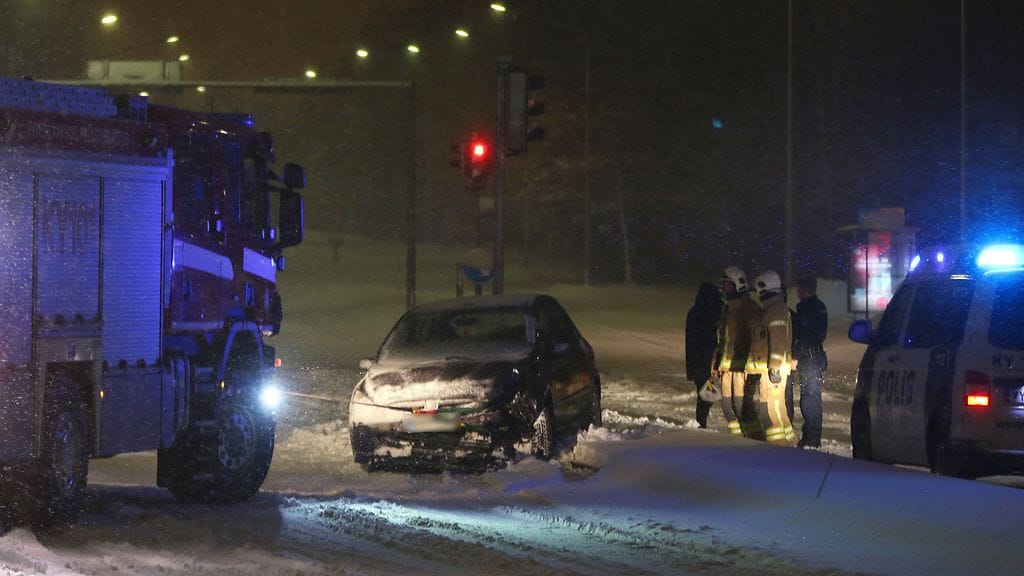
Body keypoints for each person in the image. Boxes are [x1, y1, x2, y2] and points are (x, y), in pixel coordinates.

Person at [712, 266, 761, 438]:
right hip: (726, 368)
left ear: (737, 285)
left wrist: (752, 362)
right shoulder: (727, 309)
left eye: (727, 285)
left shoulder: (749, 308)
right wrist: (716, 364)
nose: (724, 288)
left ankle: (755, 440)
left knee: (741, 408)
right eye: (723, 285)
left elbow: (757, 337)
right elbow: (722, 340)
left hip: (742, 368)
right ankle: (738, 440)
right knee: (727, 408)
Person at [748, 270, 796, 444]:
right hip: (772, 368)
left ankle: (777, 448)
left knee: (768, 410)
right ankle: (789, 445)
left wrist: (774, 366)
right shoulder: (772, 308)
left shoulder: (775, 310)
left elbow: (778, 340)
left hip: (774, 369)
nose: (758, 292)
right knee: (777, 408)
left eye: (760, 287)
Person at [793, 275, 828, 449]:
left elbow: (807, 336)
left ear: (804, 290)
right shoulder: (818, 307)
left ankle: (812, 438)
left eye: (799, 288)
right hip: (816, 357)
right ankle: (811, 435)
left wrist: (796, 354)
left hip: (810, 359)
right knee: (811, 397)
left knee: (809, 399)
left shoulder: (807, 309)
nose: (797, 292)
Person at [686, 283, 722, 428]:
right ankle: (701, 422)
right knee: (705, 394)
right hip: (703, 361)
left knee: (704, 393)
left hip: (697, 362)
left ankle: (701, 421)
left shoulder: (695, 312)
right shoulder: (705, 314)